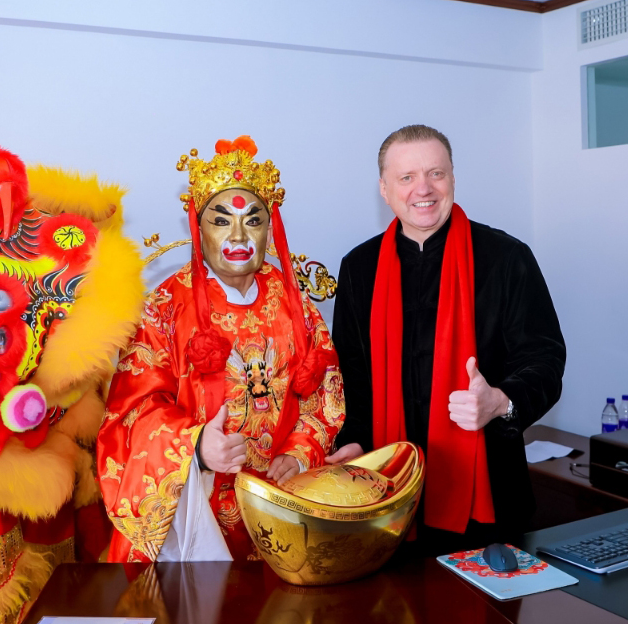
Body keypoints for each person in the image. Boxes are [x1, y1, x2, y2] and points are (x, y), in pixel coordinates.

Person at [97, 137, 345, 562]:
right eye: (221, 221)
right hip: (199, 508)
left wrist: (301, 452)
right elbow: (133, 410)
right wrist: (195, 447)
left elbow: (325, 394)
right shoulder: (166, 307)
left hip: (281, 501)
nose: (238, 237)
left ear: (270, 228)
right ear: (198, 229)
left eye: (253, 221)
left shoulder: (295, 303)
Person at [328, 125, 565, 553]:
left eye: (436, 173)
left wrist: (500, 401)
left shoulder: (506, 258)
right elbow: (351, 378)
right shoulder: (358, 268)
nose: (424, 188)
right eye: (407, 177)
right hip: (386, 499)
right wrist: (353, 441)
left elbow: (545, 360)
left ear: (453, 178)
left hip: (489, 502)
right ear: (384, 189)